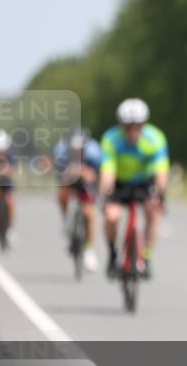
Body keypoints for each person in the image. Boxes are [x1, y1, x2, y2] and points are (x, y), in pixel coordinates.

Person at [99, 98, 169, 279]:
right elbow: (107, 173)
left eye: (137, 126)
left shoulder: (155, 139)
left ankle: (146, 258)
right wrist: (106, 197)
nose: (132, 131)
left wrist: (161, 196)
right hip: (119, 182)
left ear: (144, 124)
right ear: (121, 125)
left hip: (144, 182)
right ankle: (113, 254)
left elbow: (161, 172)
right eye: (127, 127)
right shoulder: (111, 139)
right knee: (112, 216)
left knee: (153, 212)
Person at [53, 127, 102, 272]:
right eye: (74, 149)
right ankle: (65, 219)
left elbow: (96, 175)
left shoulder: (94, 151)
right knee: (63, 194)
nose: (77, 152)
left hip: (87, 181)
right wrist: (72, 172)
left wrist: (84, 173)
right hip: (69, 179)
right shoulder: (60, 151)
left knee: (88, 212)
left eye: (80, 149)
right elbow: (61, 177)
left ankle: (90, 250)